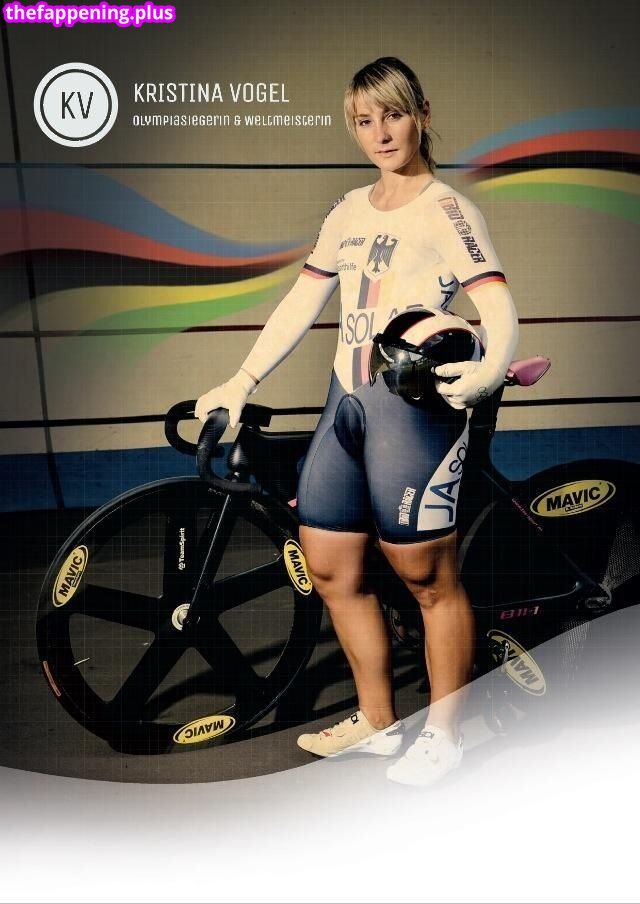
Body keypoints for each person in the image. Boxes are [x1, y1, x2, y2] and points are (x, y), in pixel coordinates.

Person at [195, 57, 519, 786]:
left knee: (427, 578)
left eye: (393, 115)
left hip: (414, 411)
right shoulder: (346, 210)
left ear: (422, 115)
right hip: (346, 403)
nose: (381, 133)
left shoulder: (447, 209)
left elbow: (496, 301)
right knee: (332, 566)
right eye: (365, 121)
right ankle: (378, 720)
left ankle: (444, 734)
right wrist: (243, 379)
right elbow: (302, 301)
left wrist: (492, 367)